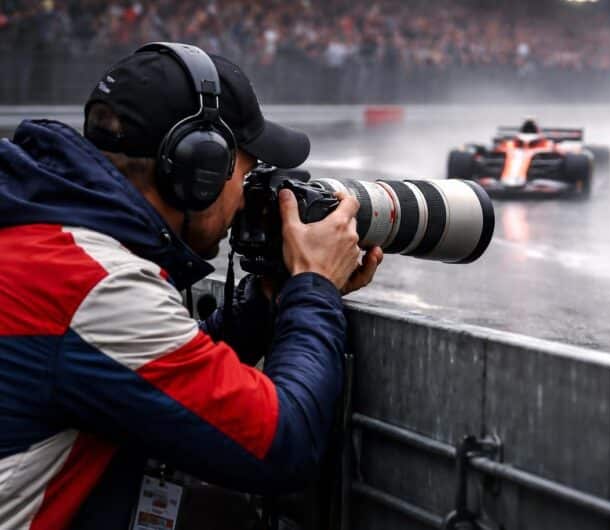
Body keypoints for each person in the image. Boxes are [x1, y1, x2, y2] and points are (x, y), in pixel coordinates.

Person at [0, 42, 382, 528]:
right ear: (200, 166)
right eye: (249, 170)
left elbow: (139, 375)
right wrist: (313, 286)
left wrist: (262, 307)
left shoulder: (36, 238)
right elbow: (282, 443)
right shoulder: (92, 286)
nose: (251, 195)